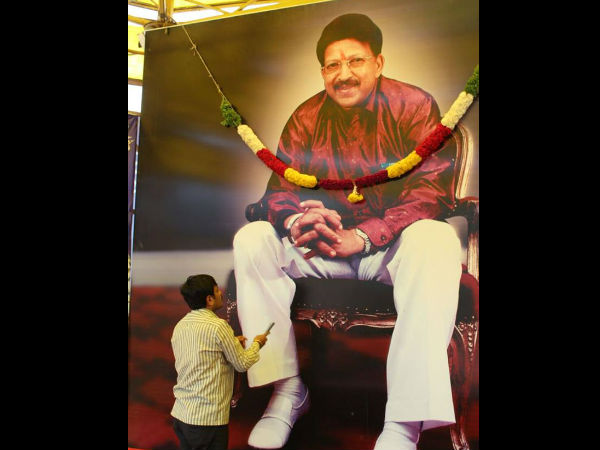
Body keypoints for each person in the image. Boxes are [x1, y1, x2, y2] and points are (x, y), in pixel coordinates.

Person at [233, 13, 463, 450]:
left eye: (355, 61)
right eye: (333, 65)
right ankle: (287, 391)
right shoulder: (305, 116)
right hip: (322, 250)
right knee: (252, 239)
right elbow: (279, 192)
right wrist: (298, 221)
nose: (344, 74)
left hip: (390, 251)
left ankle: (404, 420)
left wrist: (365, 235)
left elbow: (431, 190)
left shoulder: (415, 105)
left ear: (378, 62)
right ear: (322, 72)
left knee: (437, 240)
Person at [170, 274, 270, 450]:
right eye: (217, 290)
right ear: (209, 299)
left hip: (181, 414)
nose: (221, 293)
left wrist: (232, 342)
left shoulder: (181, 326)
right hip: (207, 420)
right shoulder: (218, 326)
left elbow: (202, 353)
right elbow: (242, 363)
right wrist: (257, 343)